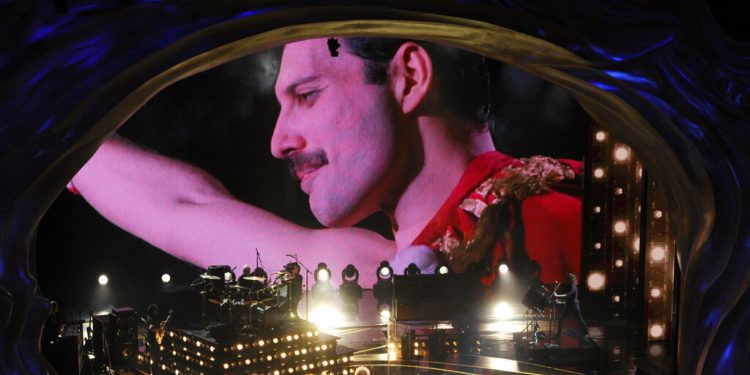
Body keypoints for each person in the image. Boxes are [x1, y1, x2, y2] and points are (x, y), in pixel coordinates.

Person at [69, 37, 581, 287]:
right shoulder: (382, 267)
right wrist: (39, 127)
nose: (278, 141)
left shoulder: (560, 224)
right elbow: (184, 207)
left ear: (407, 77)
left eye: (308, 95)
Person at [554, 273, 589, 341]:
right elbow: (567, 297)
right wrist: (560, 299)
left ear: (569, 279)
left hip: (574, 305)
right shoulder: (569, 285)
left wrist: (558, 296)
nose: (565, 280)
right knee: (561, 319)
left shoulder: (573, 286)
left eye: (567, 279)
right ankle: (558, 334)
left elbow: (568, 295)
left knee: (579, 319)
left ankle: (586, 333)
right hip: (569, 305)